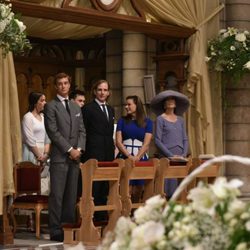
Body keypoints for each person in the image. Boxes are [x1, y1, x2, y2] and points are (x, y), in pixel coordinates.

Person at [44, 72, 86, 242]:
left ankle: (68, 227)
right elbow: (53, 132)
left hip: (75, 157)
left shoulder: (76, 106)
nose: (63, 86)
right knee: (57, 195)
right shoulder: (51, 106)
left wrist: (79, 149)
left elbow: (82, 130)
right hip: (60, 157)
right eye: (59, 83)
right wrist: (70, 149)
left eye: (65, 83)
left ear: (70, 85)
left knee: (71, 195)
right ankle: (55, 230)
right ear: (56, 86)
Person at [82, 79, 115, 220]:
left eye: (105, 90)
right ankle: (91, 216)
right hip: (93, 152)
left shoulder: (110, 109)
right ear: (95, 91)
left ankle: (102, 216)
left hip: (108, 152)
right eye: (100, 90)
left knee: (104, 186)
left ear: (108, 92)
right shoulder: (88, 109)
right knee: (94, 186)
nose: (102, 93)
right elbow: (83, 131)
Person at [150, 90, 189, 197]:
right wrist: (171, 156)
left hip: (181, 157)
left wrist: (184, 154)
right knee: (167, 188)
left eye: (172, 99)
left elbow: (185, 139)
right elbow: (157, 140)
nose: (170, 101)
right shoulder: (160, 119)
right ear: (164, 104)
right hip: (167, 157)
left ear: (176, 103)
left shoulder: (181, 120)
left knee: (179, 188)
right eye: (167, 100)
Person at [21, 91, 50, 230]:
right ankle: (30, 218)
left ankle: (40, 217)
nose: (45, 103)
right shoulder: (28, 117)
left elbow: (47, 137)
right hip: (32, 153)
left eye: (45, 100)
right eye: (42, 100)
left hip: (44, 154)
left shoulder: (44, 117)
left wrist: (45, 154)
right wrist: (39, 156)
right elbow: (29, 138)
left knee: (43, 185)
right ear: (35, 102)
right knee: (31, 185)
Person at [116, 95, 153, 202]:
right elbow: (118, 141)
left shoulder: (148, 122)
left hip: (141, 158)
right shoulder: (122, 121)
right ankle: (124, 214)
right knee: (125, 188)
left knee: (138, 189)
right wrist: (129, 156)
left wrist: (137, 157)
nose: (126, 107)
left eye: (129, 104)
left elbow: (146, 143)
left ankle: (135, 214)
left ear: (137, 105)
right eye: (126, 104)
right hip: (124, 157)